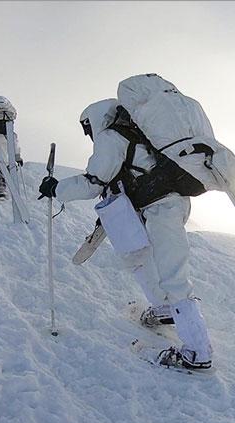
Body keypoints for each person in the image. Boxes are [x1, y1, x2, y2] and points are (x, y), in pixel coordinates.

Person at [38, 98, 214, 370]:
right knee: (142, 256)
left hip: (159, 206)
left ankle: (197, 353)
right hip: (168, 203)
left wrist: (55, 188)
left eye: (87, 127)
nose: (89, 133)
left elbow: (92, 182)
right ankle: (165, 307)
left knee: (170, 272)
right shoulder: (143, 136)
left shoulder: (111, 137)